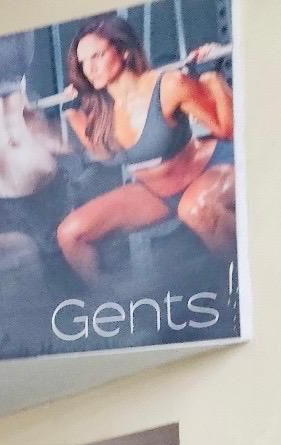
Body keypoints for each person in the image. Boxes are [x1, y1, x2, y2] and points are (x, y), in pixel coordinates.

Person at [55, 15, 234, 284]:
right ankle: (111, 301)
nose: (89, 69)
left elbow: (227, 130)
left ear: (124, 51)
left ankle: (243, 289)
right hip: (157, 193)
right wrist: (72, 111)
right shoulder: (103, 109)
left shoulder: (168, 85)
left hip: (213, 167)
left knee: (195, 209)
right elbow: (103, 152)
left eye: (97, 56)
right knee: (70, 234)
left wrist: (211, 75)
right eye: (83, 62)